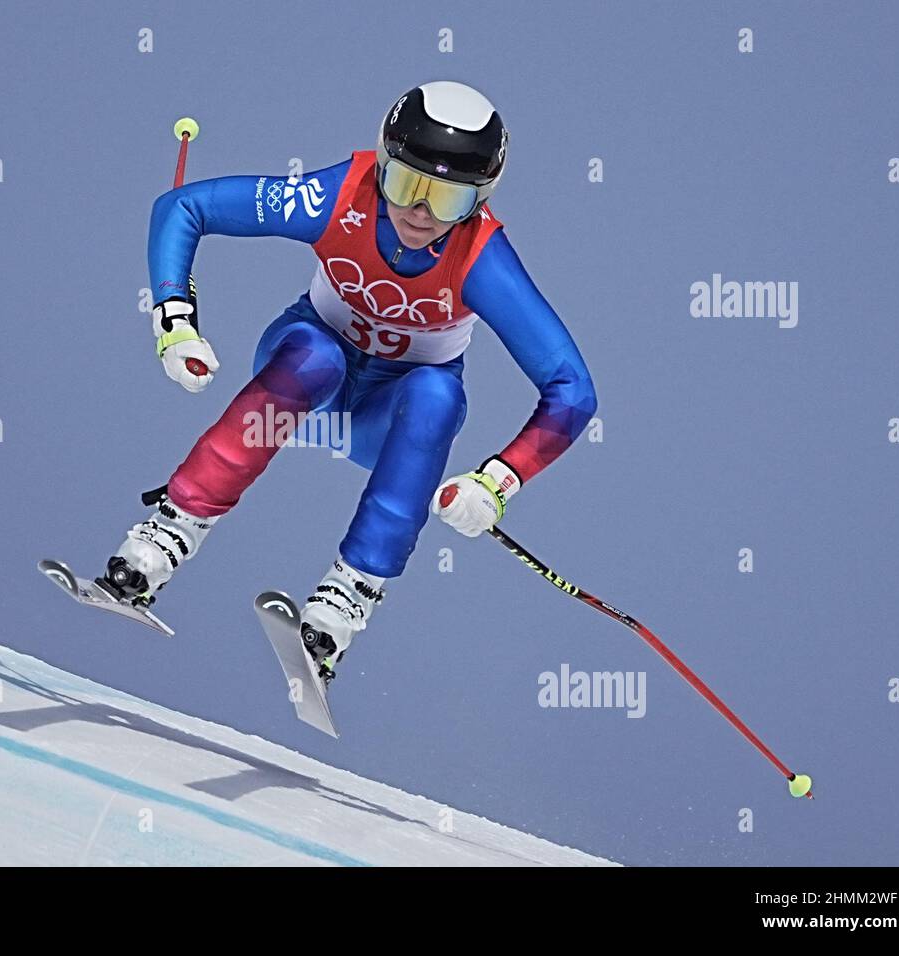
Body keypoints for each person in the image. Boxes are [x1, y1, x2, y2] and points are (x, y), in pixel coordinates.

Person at [103, 81, 597, 686]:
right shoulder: (339, 196)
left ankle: (345, 602)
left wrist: (499, 480)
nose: (421, 212)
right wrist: (174, 322)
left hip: (382, 424)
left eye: (449, 198)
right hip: (305, 382)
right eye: (407, 184)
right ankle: (161, 540)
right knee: (317, 355)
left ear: (482, 199)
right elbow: (182, 207)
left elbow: (573, 388)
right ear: (381, 165)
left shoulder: (480, 258)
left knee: (436, 393)